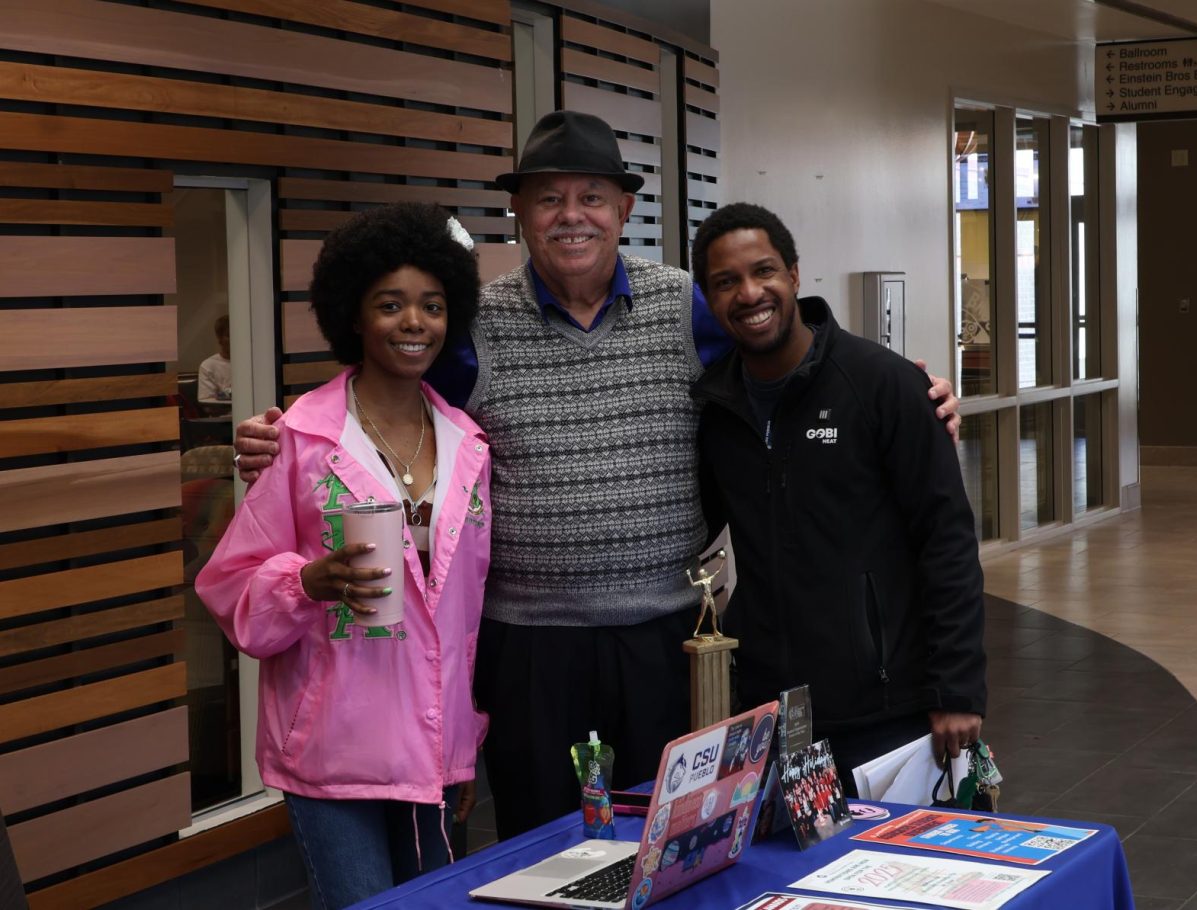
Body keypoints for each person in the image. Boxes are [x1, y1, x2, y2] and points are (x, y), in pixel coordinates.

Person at [231, 111, 963, 840]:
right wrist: (282, 433)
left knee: (679, 837)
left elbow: (788, 353)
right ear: (518, 212)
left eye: (591, 197)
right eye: (548, 199)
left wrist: (901, 388)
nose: (570, 217)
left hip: (670, 639)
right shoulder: (473, 325)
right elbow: (383, 388)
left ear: (625, 209)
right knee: (542, 844)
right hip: (527, 648)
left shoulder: (687, 306)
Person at [196, 203, 489, 910]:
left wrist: (467, 737)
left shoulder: (468, 445)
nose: (413, 323)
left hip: (436, 747)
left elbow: (469, 606)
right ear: (353, 316)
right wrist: (307, 582)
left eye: (432, 305)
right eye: (390, 305)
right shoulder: (299, 437)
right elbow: (231, 589)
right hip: (333, 751)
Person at [689, 202, 986, 790]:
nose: (749, 293)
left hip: (887, 711)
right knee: (797, 876)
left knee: (897, 875)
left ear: (795, 275)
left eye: (764, 271)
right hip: (774, 715)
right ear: (708, 297)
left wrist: (957, 688)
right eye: (726, 282)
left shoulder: (884, 385)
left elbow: (946, 541)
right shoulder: (717, 410)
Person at [197, 314, 232, 405]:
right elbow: (207, 404)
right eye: (229, 335)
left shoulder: (253, 364)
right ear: (219, 338)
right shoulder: (208, 366)